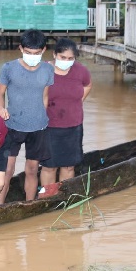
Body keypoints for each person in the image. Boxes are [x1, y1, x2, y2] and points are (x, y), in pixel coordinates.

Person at [0, 29, 55, 203]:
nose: (32, 56)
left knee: (32, 169)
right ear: (20, 48)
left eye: (36, 53)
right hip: (12, 125)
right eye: (28, 52)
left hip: (38, 128)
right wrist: (0, 108)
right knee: (7, 170)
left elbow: (45, 96)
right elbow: (0, 93)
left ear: (43, 50)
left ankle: (29, 204)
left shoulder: (48, 70)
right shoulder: (8, 68)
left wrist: (42, 117)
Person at [40, 38, 92, 187]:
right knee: (49, 166)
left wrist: (78, 101)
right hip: (49, 126)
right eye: (63, 57)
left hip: (73, 126)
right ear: (54, 55)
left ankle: (65, 196)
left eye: (70, 58)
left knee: (68, 166)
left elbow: (88, 85)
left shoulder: (81, 70)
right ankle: (47, 196)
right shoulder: (43, 70)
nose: (66, 61)